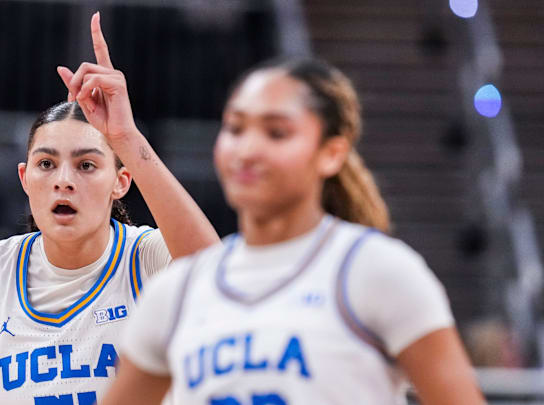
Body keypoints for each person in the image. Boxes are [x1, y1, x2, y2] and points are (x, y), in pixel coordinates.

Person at [99, 59, 486, 405]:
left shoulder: (377, 271)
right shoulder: (177, 292)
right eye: (235, 128)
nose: (247, 149)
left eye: (276, 133)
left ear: (332, 153)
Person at [0, 12, 218, 405]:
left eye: (86, 165)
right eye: (46, 164)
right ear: (25, 179)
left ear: (121, 181)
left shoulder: (147, 261)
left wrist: (127, 136)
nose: (64, 179)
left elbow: (215, 277)